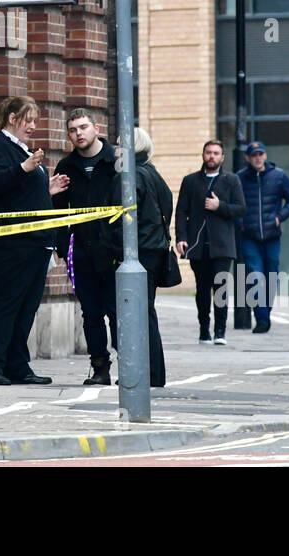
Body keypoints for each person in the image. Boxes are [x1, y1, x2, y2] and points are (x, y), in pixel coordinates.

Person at [0, 96, 68, 386]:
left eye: (35, 121)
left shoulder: (18, 150)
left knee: (27, 307)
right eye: (29, 120)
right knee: (7, 303)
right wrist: (24, 169)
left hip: (35, 242)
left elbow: (17, 193)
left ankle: (17, 365)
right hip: (10, 242)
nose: (33, 127)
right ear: (12, 118)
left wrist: (45, 190)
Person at [52, 108, 120, 385]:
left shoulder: (117, 160)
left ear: (96, 127)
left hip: (115, 251)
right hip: (82, 251)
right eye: (72, 130)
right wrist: (60, 248)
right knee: (91, 314)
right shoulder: (66, 167)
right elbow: (57, 213)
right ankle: (100, 367)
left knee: (118, 313)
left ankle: (128, 366)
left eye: (83, 127)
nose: (78, 134)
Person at [175, 140, 245, 345]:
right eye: (208, 153)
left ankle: (220, 332)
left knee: (220, 289)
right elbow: (181, 211)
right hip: (198, 246)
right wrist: (181, 238)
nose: (211, 156)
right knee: (202, 290)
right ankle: (204, 329)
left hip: (223, 245)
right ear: (203, 155)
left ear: (222, 157)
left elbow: (241, 209)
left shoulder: (231, 180)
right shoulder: (190, 181)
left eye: (216, 153)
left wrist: (219, 206)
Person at [125, 127, 173, 387]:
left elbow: (126, 218)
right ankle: (154, 374)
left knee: (139, 313)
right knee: (146, 312)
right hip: (154, 251)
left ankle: (149, 374)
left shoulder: (134, 177)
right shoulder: (154, 174)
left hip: (139, 251)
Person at [236, 140, 289, 334]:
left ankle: (265, 313)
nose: (257, 158)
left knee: (271, 276)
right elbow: (232, 203)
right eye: (253, 155)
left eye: (260, 154)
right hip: (249, 236)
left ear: (265, 155)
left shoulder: (278, 176)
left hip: (272, 236)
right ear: (247, 158)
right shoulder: (239, 178)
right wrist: (241, 223)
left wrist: (280, 217)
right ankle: (262, 319)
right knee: (254, 277)